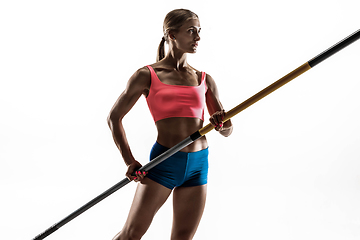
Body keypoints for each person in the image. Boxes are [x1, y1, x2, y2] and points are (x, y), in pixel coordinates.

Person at [107, 9, 233, 240]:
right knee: (131, 235)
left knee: (182, 237)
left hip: (198, 165)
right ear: (171, 35)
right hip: (164, 162)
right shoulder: (147, 75)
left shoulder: (204, 79)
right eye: (191, 31)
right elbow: (114, 117)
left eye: (199, 31)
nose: (197, 37)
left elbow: (227, 130)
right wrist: (129, 160)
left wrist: (221, 122)